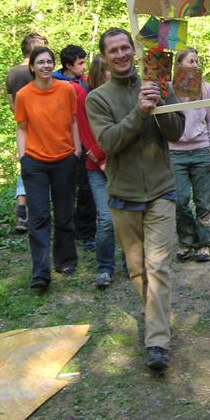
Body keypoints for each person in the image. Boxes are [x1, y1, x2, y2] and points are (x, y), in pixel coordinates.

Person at [86, 28, 185, 372]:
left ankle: (157, 340)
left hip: (160, 190)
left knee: (158, 265)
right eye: (113, 50)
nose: (121, 55)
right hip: (123, 195)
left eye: (125, 48)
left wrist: (160, 103)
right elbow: (109, 142)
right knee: (138, 269)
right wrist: (139, 112)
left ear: (134, 50)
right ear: (105, 57)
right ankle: (154, 316)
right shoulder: (97, 99)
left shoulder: (158, 84)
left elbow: (177, 132)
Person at [14, 46, 80, 294]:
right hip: (35, 162)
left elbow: (73, 120)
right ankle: (40, 274)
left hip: (64, 159)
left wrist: (77, 150)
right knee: (39, 216)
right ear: (32, 67)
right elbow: (22, 128)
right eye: (40, 62)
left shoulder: (67, 89)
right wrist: (23, 158)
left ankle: (65, 261)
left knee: (64, 213)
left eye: (49, 61)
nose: (45, 66)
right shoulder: (23, 95)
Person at [168, 48, 210, 263]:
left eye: (197, 61)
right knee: (179, 200)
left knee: (204, 202)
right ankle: (186, 240)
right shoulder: (168, 89)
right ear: (179, 64)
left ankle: (203, 243)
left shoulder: (204, 87)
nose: (196, 65)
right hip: (175, 153)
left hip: (201, 152)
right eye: (191, 61)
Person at [74, 55, 117, 288]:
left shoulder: (122, 94)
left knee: (128, 216)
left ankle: (132, 262)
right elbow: (86, 133)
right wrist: (101, 159)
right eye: (108, 69)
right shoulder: (86, 97)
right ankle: (105, 267)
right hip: (97, 167)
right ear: (99, 73)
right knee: (106, 218)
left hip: (122, 165)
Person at [54, 44, 96, 251]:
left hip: (86, 140)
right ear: (68, 66)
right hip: (63, 144)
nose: (84, 66)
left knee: (87, 188)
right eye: (80, 63)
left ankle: (86, 231)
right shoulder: (54, 84)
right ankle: (67, 230)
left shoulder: (86, 82)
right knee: (65, 189)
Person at [6, 32, 48, 232]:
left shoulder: (12, 73)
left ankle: (23, 210)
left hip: (22, 125)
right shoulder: (36, 73)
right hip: (41, 126)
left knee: (27, 164)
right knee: (43, 166)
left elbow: (12, 105)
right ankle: (35, 211)